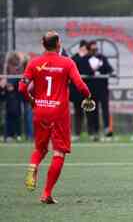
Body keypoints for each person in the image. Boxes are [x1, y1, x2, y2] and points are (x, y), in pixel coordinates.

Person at [19, 31, 93, 204]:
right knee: (59, 152)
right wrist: (88, 96)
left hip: (40, 110)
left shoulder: (34, 62)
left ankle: (33, 165)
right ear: (59, 43)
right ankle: (46, 193)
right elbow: (80, 85)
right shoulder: (67, 62)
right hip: (59, 113)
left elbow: (22, 87)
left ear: (42, 43)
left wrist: (32, 101)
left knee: (40, 149)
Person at [87, 40, 114, 140]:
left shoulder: (102, 58)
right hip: (91, 89)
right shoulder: (85, 59)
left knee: (105, 109)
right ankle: (95, 131)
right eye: (92, 48)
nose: (94, 50)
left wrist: (101, 71)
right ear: (89, 49)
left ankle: (107, 130)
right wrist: (91, 73)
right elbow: (82, 70)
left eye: (95, 48)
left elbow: (110, 69)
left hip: (102, 88)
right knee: (93, 110)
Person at [71, 40, 90, 140]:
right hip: (77, 91)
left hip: (88, 90)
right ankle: (77, 133)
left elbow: (89, 70)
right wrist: (81, 57)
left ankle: (91, 133)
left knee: (90, 112)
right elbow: (73, 69)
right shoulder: (74, 58)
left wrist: (85, 57)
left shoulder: (89, 58)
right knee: (78, 112)